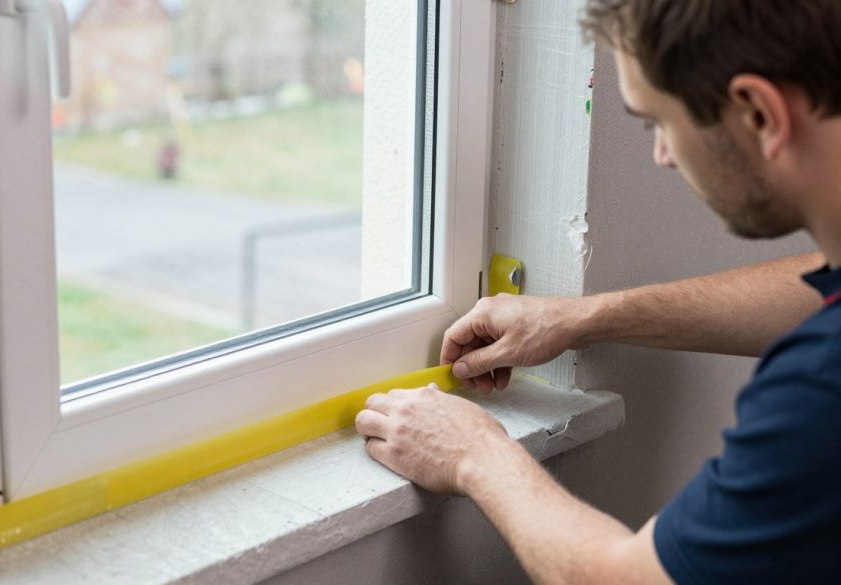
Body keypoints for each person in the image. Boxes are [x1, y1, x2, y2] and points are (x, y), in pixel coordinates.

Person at [354, 1, 841, 583]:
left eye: (659, 121)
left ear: (759, 113)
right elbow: (816, 288)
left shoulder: (820, 386)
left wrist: (473, 455)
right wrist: (582, 317)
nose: (662, 155)